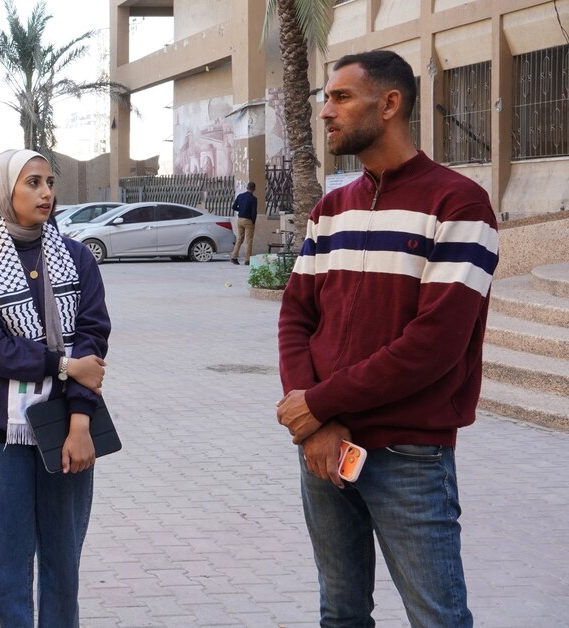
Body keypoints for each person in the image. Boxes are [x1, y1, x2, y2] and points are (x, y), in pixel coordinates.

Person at [276, 50, 499, 627]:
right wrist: (316, 425)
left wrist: (319, 406)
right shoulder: (329, 211)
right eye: (326, 98)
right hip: (325, 451)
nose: (326, 111)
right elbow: (296, 317)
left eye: (341, 97)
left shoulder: (460, 204)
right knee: (341, 615)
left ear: (391, 104)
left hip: (407, 456)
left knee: (437, 619)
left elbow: (433, 346)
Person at [0, 149, 111, 627]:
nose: (46, 193)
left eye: (49, 182)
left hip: (68, 427)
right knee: (8, 562)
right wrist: (63, 366)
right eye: (33, 183)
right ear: (5, 192)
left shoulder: (77, 256)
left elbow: (93, 339)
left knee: (63, 560)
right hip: (1, 434)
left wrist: (82, 422)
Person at [229, 181, 257, 264]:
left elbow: (234, 207)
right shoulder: (253, 199)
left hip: (240, 219)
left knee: (239, 239)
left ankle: (234, 257)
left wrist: (241, 210)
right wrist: (253, 221)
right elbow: (254, 212)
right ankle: (247, 259)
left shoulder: (240, 196)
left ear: (247, 188)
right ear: (254, 189)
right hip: (248, 221)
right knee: (249, 241)